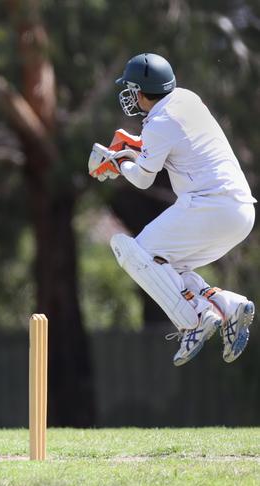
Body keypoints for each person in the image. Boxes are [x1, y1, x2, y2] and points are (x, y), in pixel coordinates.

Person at [88, 53, 256, 366]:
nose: (128, 95)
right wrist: (130, 145)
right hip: (240, 211)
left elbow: (141, 179)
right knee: (165, 266)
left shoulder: (160, 124)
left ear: (139, 91)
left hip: (211, 205)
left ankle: (192, 322)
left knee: (131, 251)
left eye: (130, 88)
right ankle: (226, 304)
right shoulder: (186, 100)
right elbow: (167, 142)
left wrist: (118, 161)